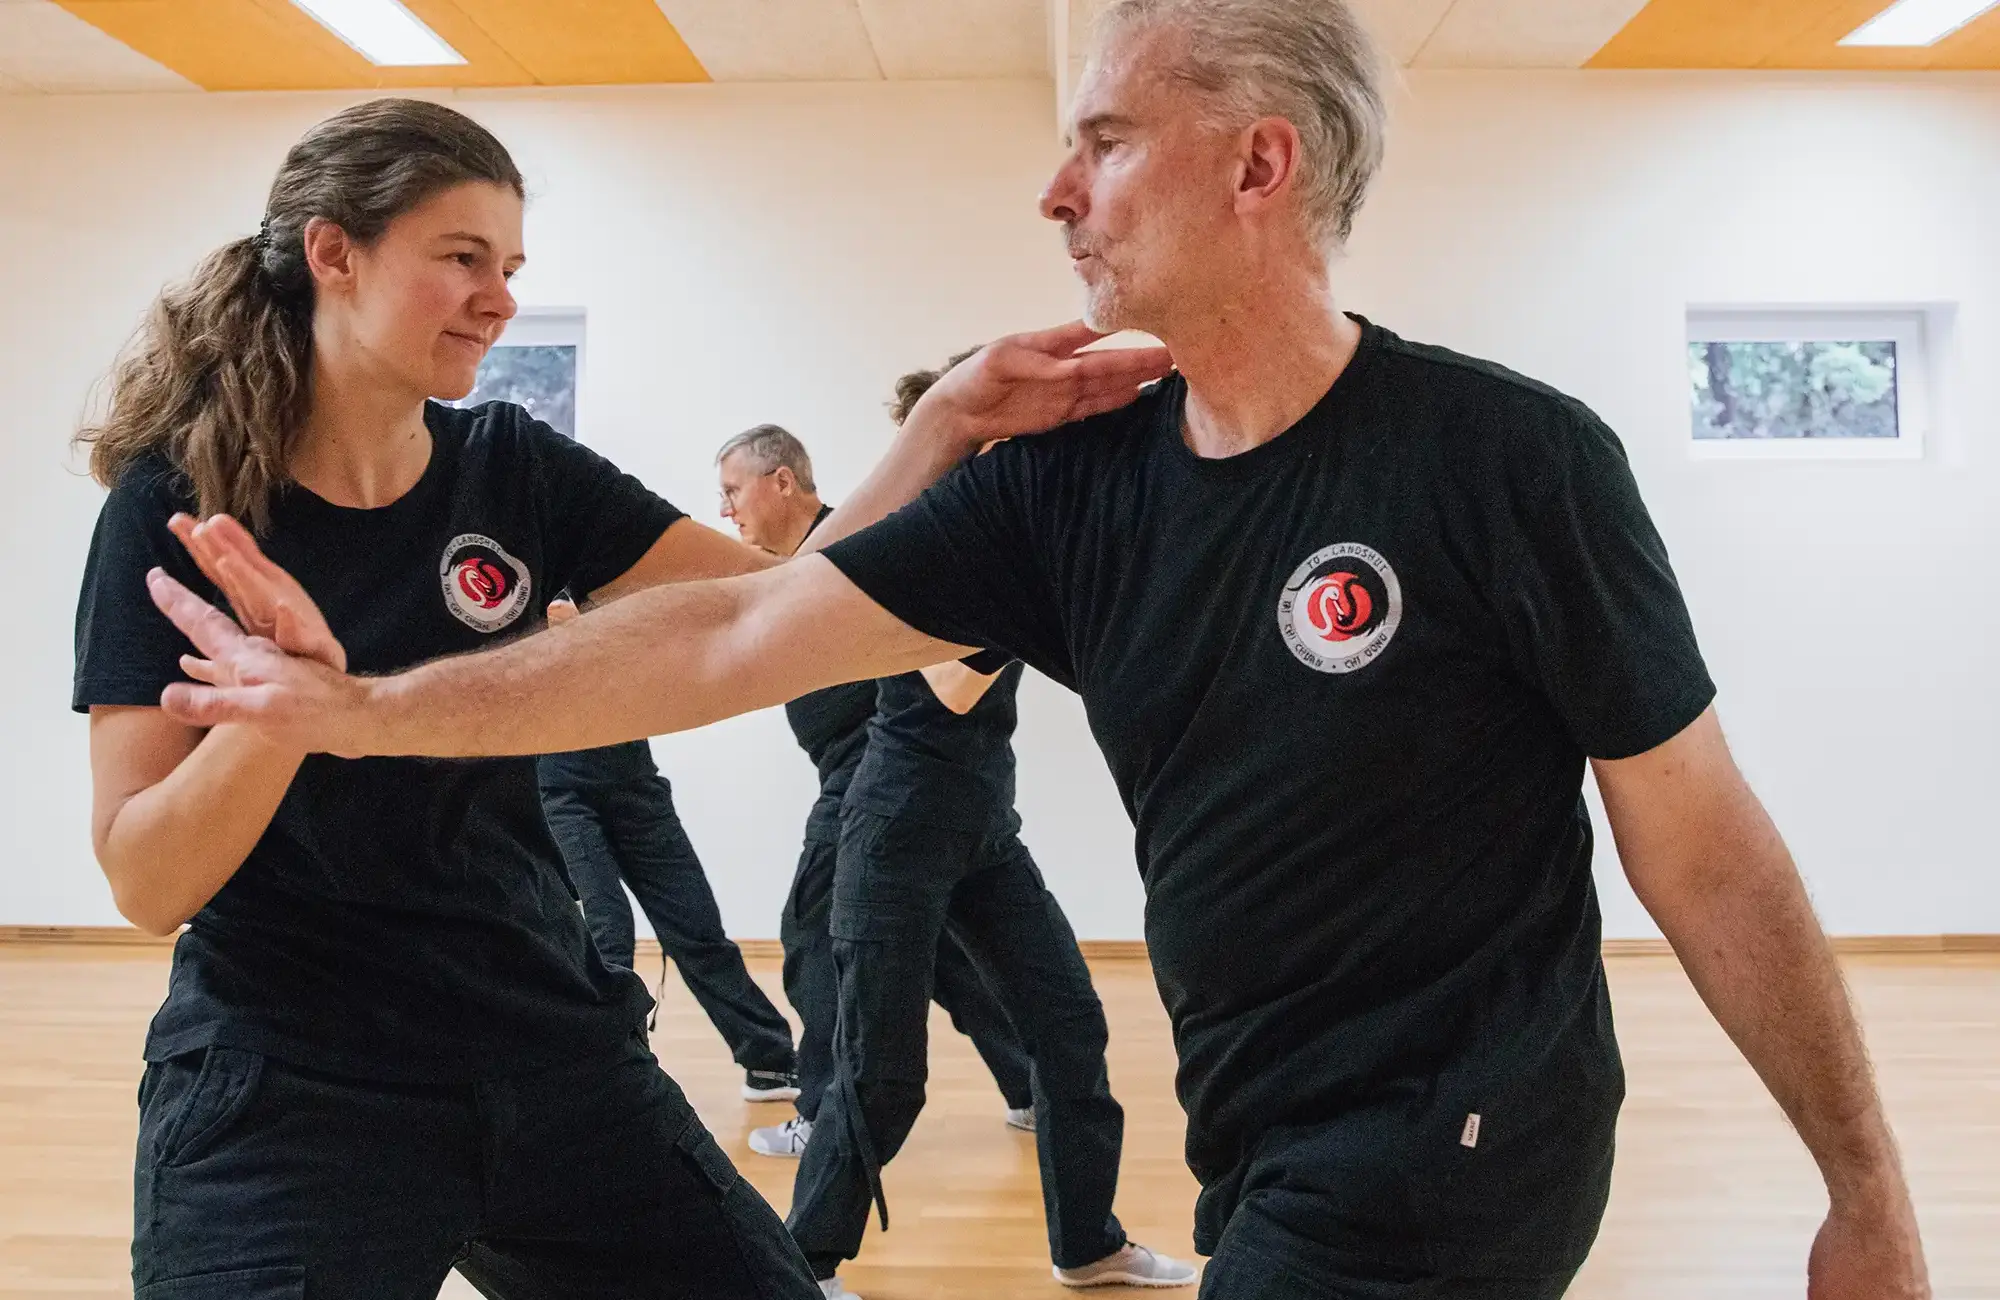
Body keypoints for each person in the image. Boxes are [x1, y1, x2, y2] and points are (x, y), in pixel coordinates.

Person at [137, 1, 1928, 1293]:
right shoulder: (1067, 491)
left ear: (1260, 163)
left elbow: (1695, 833)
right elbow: (735, 634)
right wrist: (356, 710)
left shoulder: (1508, 460)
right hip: (1258, 1130)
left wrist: (1867, 1190)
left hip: (1468, 1139)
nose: (1054, 194)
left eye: (1102, 141)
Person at [74, 97, 1166, 1298]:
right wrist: (287, 719)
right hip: (294, 1077)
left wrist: (946, 423)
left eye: (510, 266)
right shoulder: (179, 507)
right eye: (461, 258)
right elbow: (147, 879)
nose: (498, 297)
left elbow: (783, 602)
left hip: (544, 1046)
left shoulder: (514, 467)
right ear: (334, 254)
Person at [723, 415, 1194, 1297]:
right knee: (882, 1076)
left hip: (983, 834)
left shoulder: (993, 556)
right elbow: (944, 686)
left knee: (1068, 1031)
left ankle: (1086, 1244)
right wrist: (1038, 605)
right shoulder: (942, 556)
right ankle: (799, 1270)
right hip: (896, 832)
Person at [714, 424, 1038, 1160]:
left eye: (734, 491)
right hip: (863, 774)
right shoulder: (800, 563)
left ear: (783, 482)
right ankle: (1029, 1087)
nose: (727, 509)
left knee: (811, 934)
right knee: (941, 952)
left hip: (874, 773)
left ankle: (824, 1114)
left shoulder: (853, 548)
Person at [536, 597, 802, 1104]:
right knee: (606, 932)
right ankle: (612, 1074)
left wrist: (592, 625)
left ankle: (770, 1063)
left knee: (698, 928)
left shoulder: (611, 582)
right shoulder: (524, 577)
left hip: (637, 786)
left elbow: (657, 644)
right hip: (560, 787)